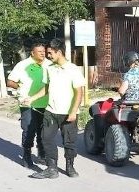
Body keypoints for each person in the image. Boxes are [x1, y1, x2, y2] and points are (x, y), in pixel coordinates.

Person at [24, 38, 86, 179]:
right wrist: (32, 98)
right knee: (46, 138)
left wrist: (73, 111)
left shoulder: (73, 69)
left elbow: (79, 92)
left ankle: (70, 167)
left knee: (69, 142)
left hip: (67, 113)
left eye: (50, 53)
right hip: (51, 111)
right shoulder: (49, 68)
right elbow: (46, 88)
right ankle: (52, 168)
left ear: (59, 52)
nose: (47, 56)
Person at [6, 40, 52, 168]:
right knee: (29, 130)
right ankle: (26, 155)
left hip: (46, 104)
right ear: (32, 53)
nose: (43, 54)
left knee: (43, 131)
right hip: (28, 104)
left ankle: (42, 154)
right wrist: (19, 86)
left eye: (44, 51)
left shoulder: (50, 64)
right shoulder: (22, 65)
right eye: (40, 52)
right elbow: (10, 82)